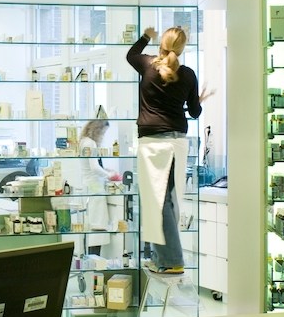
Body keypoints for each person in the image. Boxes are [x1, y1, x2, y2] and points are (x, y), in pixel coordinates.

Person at [127, 26, 213, 274]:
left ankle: (170, 261)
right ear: (182, 48)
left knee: (158, 201)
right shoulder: (188, 74)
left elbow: (131, 54)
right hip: (177, 141)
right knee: (168, 200)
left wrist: (145, 37)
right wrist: (199, 101)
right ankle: (161, 257)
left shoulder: (147, 65)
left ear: (163, 44)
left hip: (153, 142)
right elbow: (195, 113)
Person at [79, 119, 115, 233]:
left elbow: (90, 165)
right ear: (97, 130)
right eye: (103, 133)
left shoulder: (83, 141)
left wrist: (105, 170)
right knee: (98, 224)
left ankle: (92, 250)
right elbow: (94, 167)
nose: (103, 136)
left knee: (92, 223)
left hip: (88, 183)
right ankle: (95, 250)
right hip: (95, 185)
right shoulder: (91, 143)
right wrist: (109, 175)